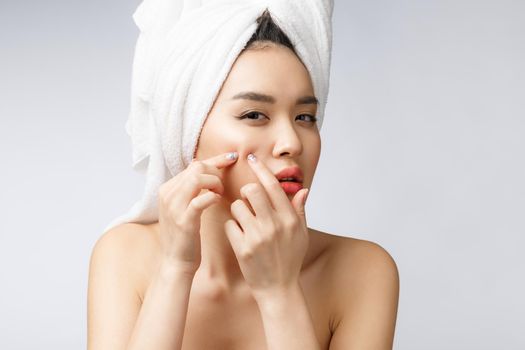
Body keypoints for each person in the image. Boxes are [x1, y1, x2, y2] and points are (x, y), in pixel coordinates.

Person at [87, 9, 399, 350]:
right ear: (187, 132)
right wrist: (174, 270)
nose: (292, 142)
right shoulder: (123, 255)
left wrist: (279, 292)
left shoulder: (362, 272)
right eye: (254, 115)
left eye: (305, 117)